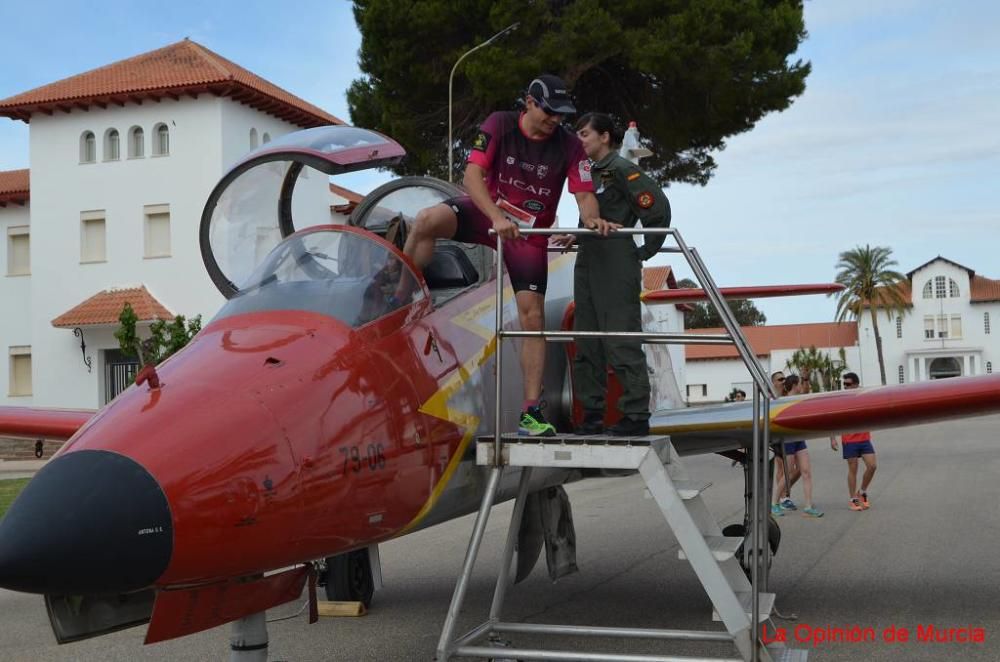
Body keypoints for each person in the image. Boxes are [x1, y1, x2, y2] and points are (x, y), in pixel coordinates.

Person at [400, 75, 603, 436]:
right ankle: (402, 305)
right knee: (426, 220)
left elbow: (585, 195)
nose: (555, 119)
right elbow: (473, 175)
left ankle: (530, 413)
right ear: (528, 102)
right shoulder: (499, 123)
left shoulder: (570, 146)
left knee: (533, 316)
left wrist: (590, 221)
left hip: (526, 234)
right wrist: (495, 216)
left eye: (561, 114)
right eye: (549, 111)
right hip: (488, 212)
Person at [566, 113, 670, 437]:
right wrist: (577, 234)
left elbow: (657, 208)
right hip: (587, 259)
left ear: (605, 137)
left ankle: (636, 415)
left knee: (622, 340)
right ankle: (592, 415)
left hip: (615, 261)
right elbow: (593, 215)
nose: (579, 140)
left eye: (585, 134)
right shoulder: (586, 174)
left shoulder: (622, 169)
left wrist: (643, 251)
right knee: (587, 341)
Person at [770, 374, 823, 518]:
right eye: (800, 383)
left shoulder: (801, 399)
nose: (802, 386)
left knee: (806, 471)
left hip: (800, 438)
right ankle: (774, 503)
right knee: (788, 473)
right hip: (787, 439)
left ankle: (808, 506)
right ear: (794, 385)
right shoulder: (782, 400)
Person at [830, 372, 877, 511]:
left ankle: (862, 492)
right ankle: (853, 499)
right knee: (853, 469)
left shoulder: (865, 396)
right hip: (849, 440)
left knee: (872, 466)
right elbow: (833, 420)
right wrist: (832, 438)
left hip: (864, 438)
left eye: (848, 384)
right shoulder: (841, 399)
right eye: (844, 384)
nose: (845, 387)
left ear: (856, 384)